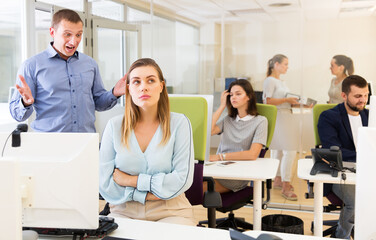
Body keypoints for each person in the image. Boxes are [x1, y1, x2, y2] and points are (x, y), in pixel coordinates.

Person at [99, 58, 195, 226]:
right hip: (124, 211)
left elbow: (181, 180)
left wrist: (131, 181)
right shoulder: (114, 126)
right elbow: (105, 183)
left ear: (161, 86)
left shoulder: (180, 123)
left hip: (171, 211)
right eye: (136, 82)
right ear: (129, 89)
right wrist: (155, 190)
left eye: (151, 80)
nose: (143, 87)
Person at [9, 9, 126, 133]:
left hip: (85, 142)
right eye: (67, 34)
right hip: (49, 144)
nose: (74, 41)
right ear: (52, 32)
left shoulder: (90, 64)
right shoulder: (31, 66)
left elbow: (99, 103)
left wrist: (114, 93)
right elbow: (17, 115)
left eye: (78, 34)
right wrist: (25, 103)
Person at [318, 75, 369, 239]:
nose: (363, 100)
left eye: (366, 95)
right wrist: (365, 154)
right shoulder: (329, 117)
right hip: (340, 170)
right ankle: (341, 236)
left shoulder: (370, 116)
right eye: (358, 96)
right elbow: (333, 150)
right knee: (356, 202)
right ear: (344, 95)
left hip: (368, 169)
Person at [204, 79, 268, 193]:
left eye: (238, 94)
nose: (233, 97)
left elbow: (252, 154)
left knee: (197, 188)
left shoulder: (260, 121)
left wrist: (220, 157)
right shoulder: (228, 119)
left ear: (249, 96)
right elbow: (207, 131)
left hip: (238, 174)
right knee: (191, 182)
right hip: (217, 168)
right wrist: (222, 106)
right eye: (231, 95)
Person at [262, 54, 299, 201]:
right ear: (276, 64)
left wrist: (293, 102)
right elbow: (267, 101)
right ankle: (286, 184)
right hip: (279, 117)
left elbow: (280, 100)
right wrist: (286, 99)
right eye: (285, 64)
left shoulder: (280, 81)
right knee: (289, 151)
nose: (287, 67)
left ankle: (277, 179)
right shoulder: (270, 81)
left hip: (285, 115)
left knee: (278, 151)